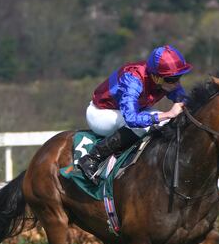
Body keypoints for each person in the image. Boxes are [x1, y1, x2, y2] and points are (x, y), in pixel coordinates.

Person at [76, 45, 192, 184]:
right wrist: (168, 114)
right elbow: (131, 119)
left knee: (165, 122)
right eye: (172, 79)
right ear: (156, 77)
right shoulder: (133, 80)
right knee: (145, 125)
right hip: (101, 113)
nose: (177, 83)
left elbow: (184, 101)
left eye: (179, 77)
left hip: (128, 111)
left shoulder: (164, 79)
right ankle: (93, 157)